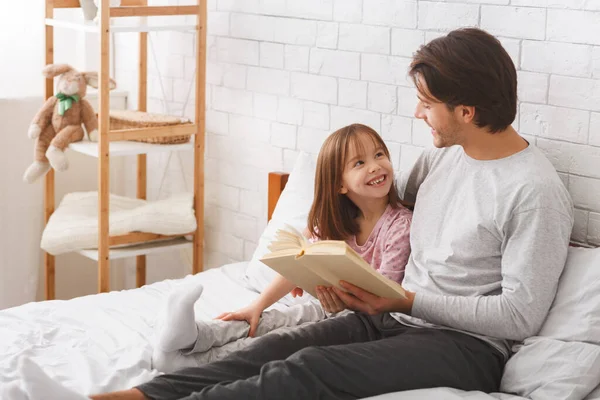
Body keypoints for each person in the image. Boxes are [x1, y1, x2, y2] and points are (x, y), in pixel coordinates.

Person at [21, 27, 574, 400]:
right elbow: (377, 221)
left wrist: (404, 299)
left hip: (464, 347)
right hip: (390, 316)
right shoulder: (439, 159)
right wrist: (334, 274)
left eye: (427, 103)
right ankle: (140, 395)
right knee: (275, 348)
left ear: (467, 110)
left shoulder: (534, 191)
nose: (418, 113)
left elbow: (520, 317)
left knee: (309, 372)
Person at [150, 123, 413, 373]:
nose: (375, 166)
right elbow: (301, 263)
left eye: (380, 154)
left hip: (361, 321)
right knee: (273, 319)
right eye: (360, 163)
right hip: (326, 307)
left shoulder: (399, 224)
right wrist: (257, 305)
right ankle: (194, 337)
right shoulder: (336, 223)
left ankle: (198, 362)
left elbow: (385, 292)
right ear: (339, 185)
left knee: (285, 336)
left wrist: (341, 301)